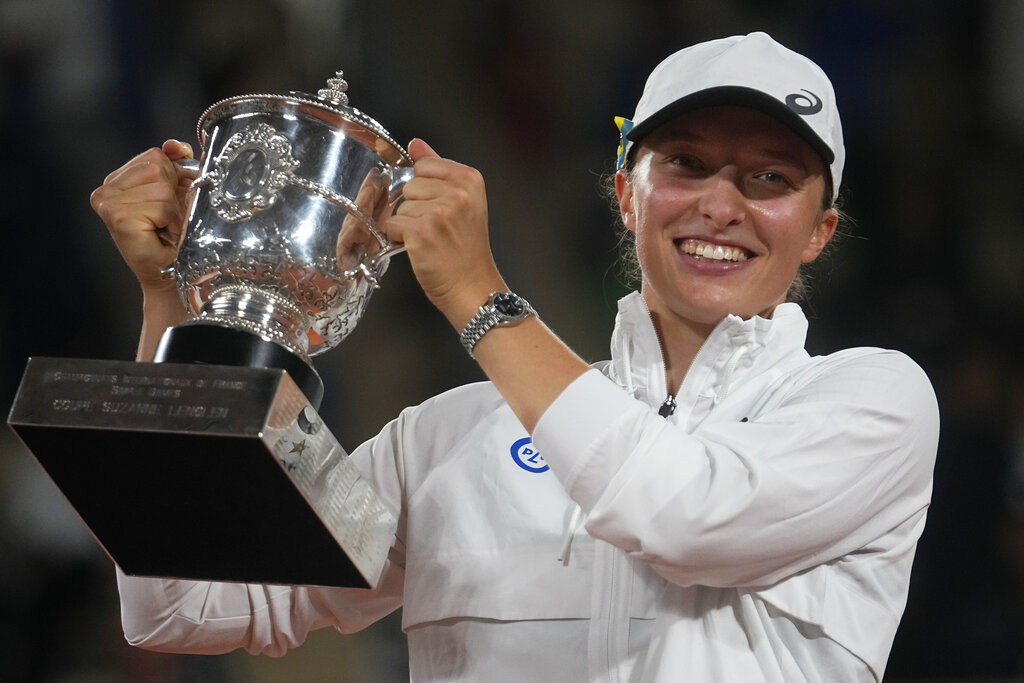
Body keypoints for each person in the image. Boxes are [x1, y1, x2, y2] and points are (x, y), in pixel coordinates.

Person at [90, 32, 939, 682]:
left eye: (770, 179)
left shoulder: (870, 404)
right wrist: (178, 300)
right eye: (685, 163)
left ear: (819, 230)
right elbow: (187, 604)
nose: (721, 204)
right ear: (624, 192)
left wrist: (476, 292)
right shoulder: (449, 438)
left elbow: (677, 511)